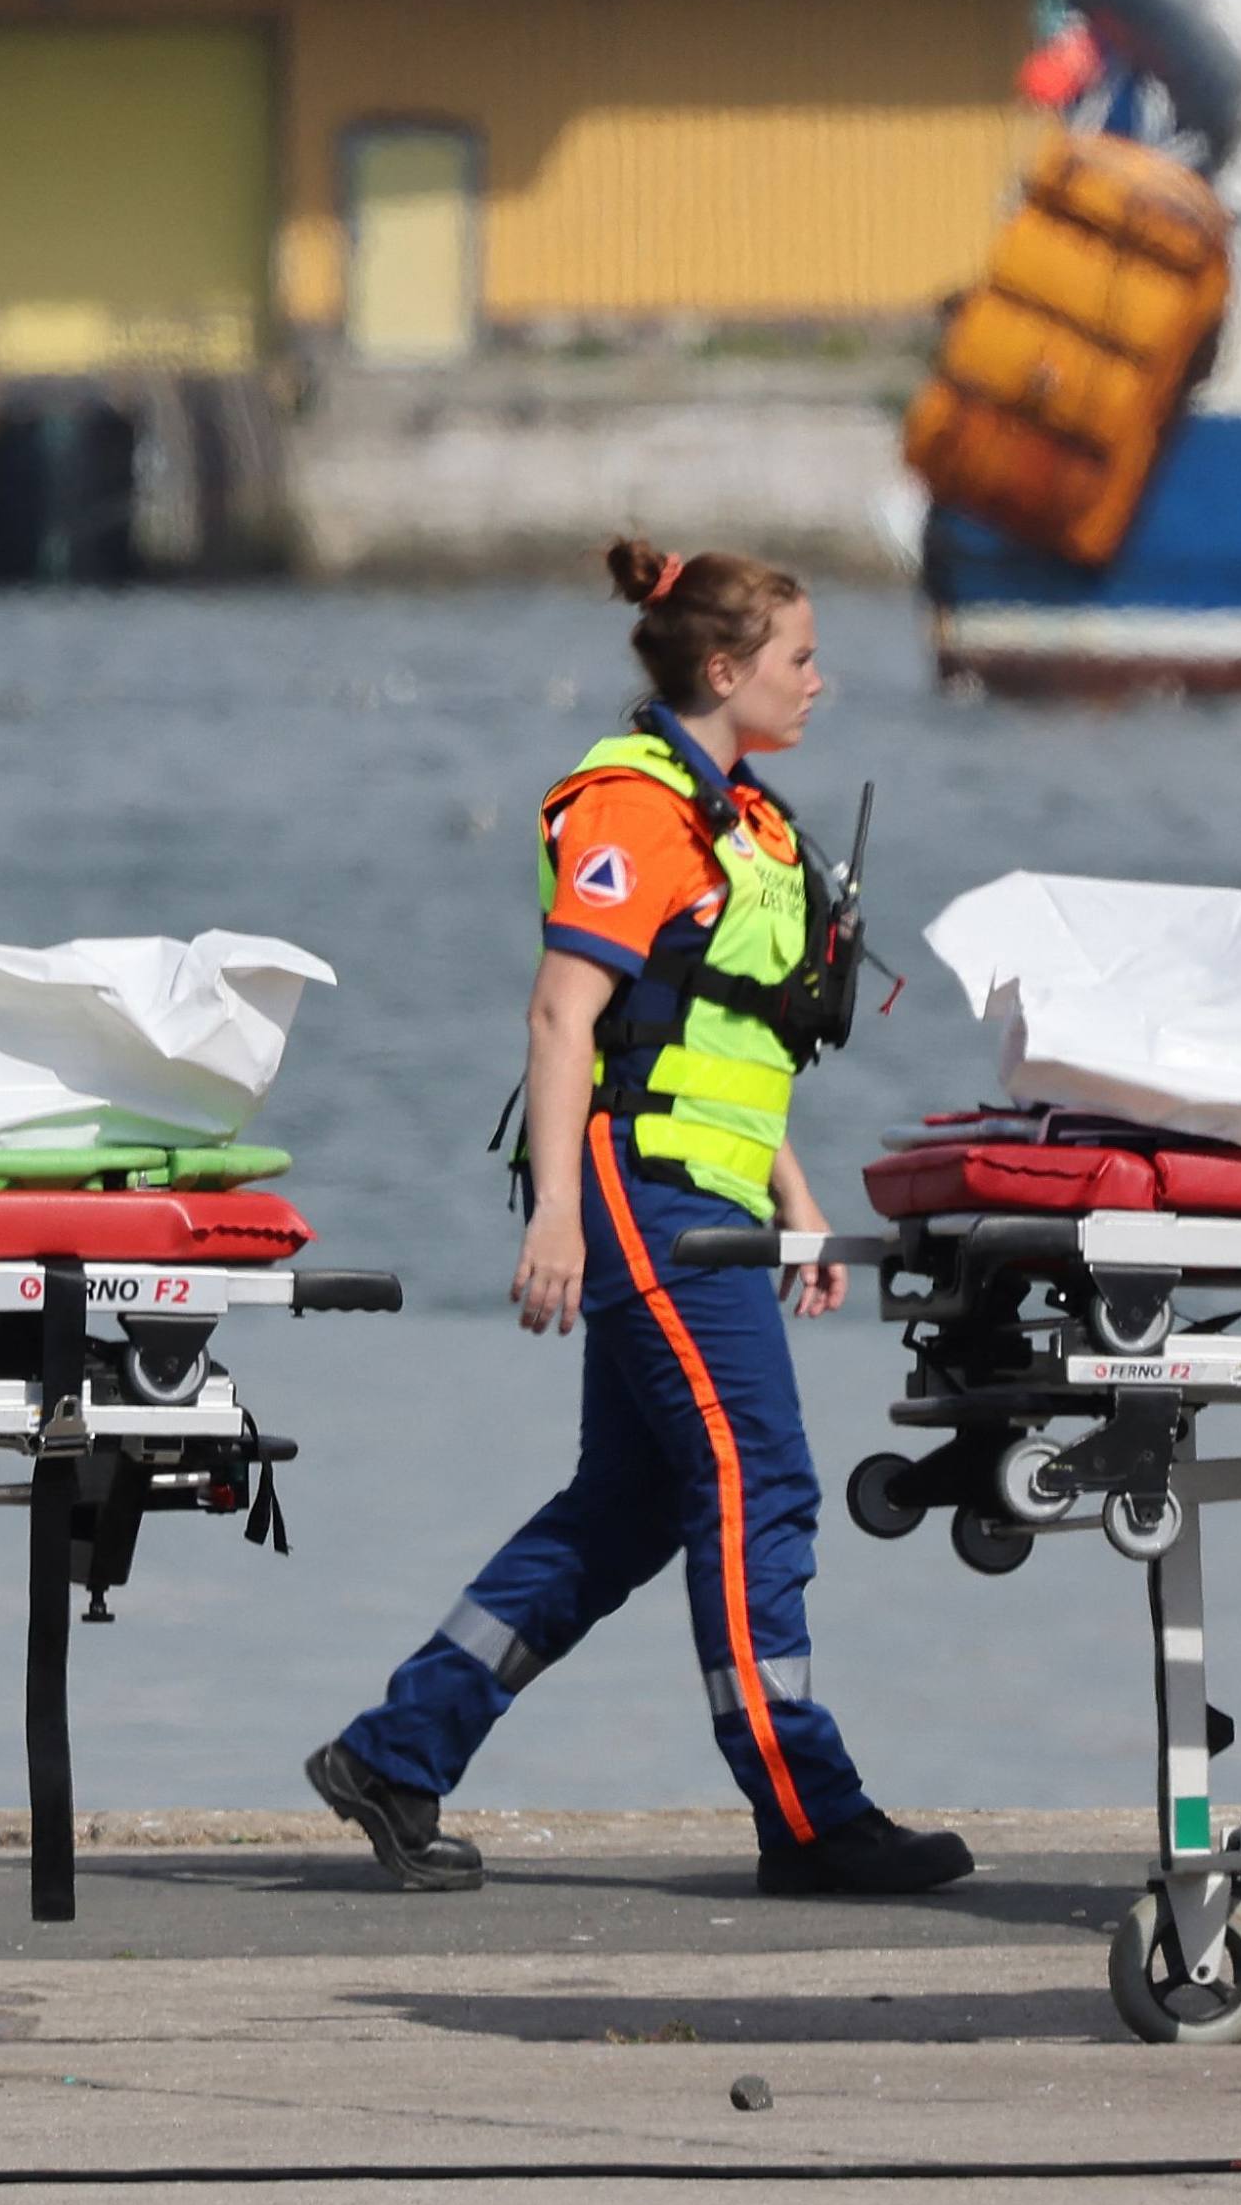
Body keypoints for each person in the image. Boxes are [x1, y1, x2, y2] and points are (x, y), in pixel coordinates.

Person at [307, 540, 974, 1899]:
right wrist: (557, 1211)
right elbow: (569, 1014)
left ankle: (396, 1752)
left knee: (629, 1505)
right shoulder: (638, 806)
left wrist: (793, 1194)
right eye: (799, 657)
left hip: (717, 1194)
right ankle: (806, 1807)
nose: (820, 678)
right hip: (641, 1193)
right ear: (725, 672)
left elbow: (716, 1030)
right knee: (760, 1478)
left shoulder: (748, 819)